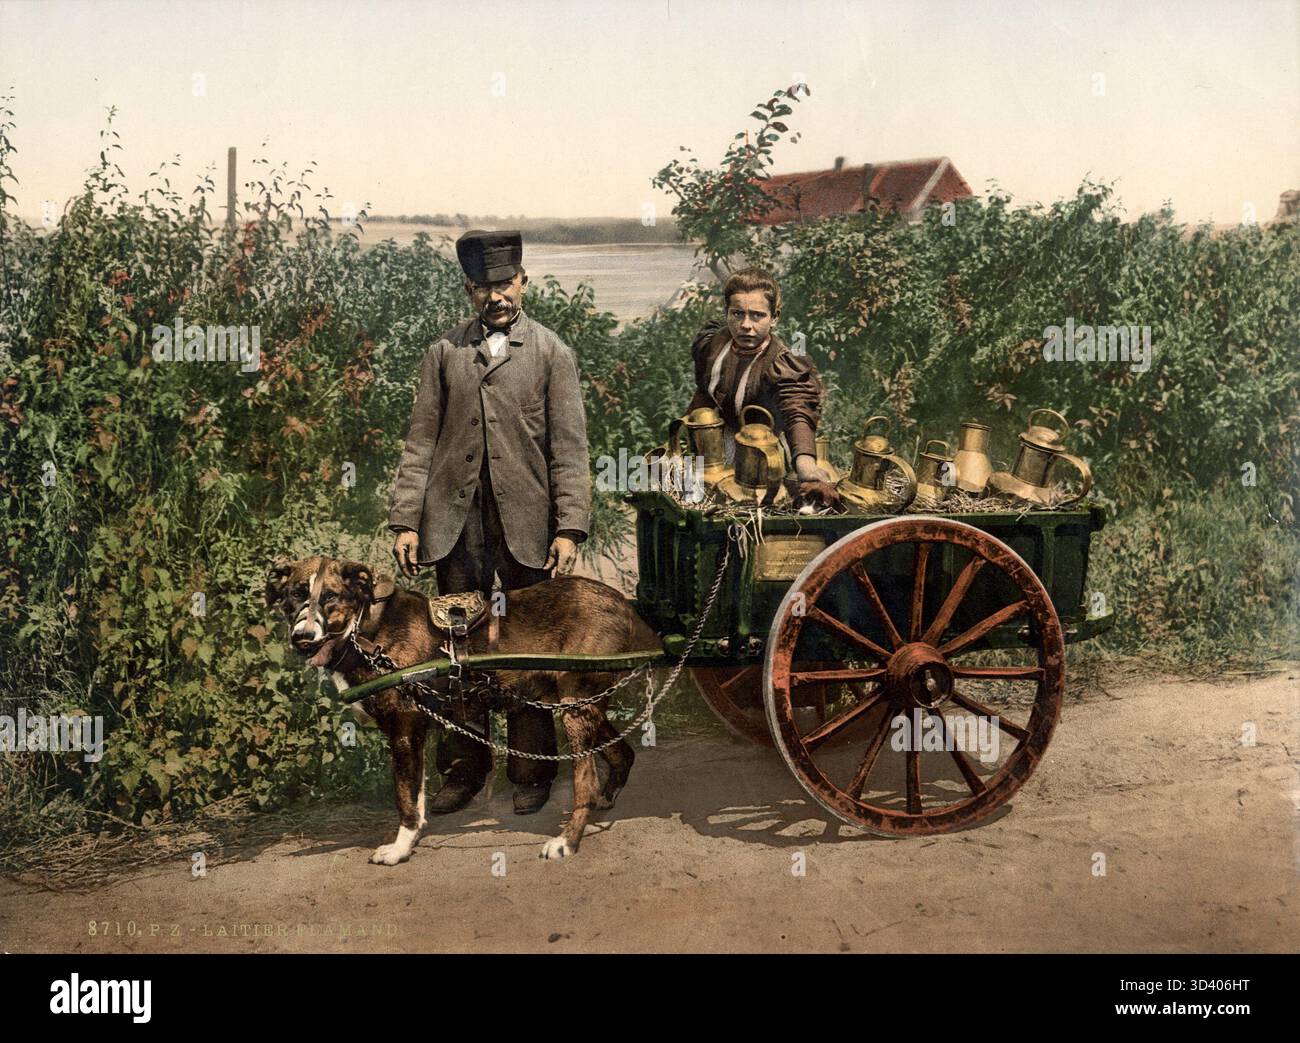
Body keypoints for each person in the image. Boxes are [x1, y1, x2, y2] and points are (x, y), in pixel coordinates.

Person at [388, 230, 590, 816]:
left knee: (526, 647)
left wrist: (569, 528)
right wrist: (407, 521)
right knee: (458, 646)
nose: (495, 296)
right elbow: (420, 442)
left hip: (527, 528)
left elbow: (570, 450)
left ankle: (531, 772)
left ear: (523, 282)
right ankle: (464, 770)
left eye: (504, 284)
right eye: (482, 286)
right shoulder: (444, 353)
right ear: (469, 290)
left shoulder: (551, 353)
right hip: (455, 527)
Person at [686, 267, 831, 488]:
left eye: (757, 315)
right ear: (727, 312)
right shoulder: (714, 343)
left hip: (762, 451)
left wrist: (805, 463)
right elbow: (704, 391)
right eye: (737, 314)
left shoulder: (782, 363)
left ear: (774, 318)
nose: (746, 325)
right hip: (715, 441)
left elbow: (797, 409)